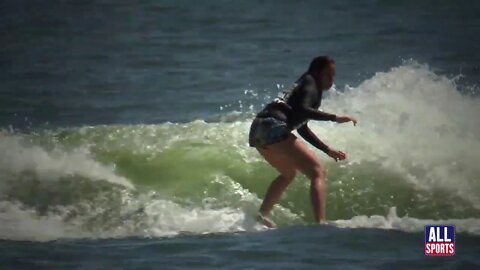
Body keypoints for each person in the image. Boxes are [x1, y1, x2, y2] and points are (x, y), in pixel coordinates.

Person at [248, 56, 357, 227]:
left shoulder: (304, 84)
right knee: (317, 171)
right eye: (328, 75)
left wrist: (327, 149)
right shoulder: (310, 83)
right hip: (273, 125)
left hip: (258, 129)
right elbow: (304, 110)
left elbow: (301, 127)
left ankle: (262, 216)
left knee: (288, 174)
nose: (332, 80)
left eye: (333, 75)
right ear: (317, 72)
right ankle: (320, 223)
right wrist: (334, 118)